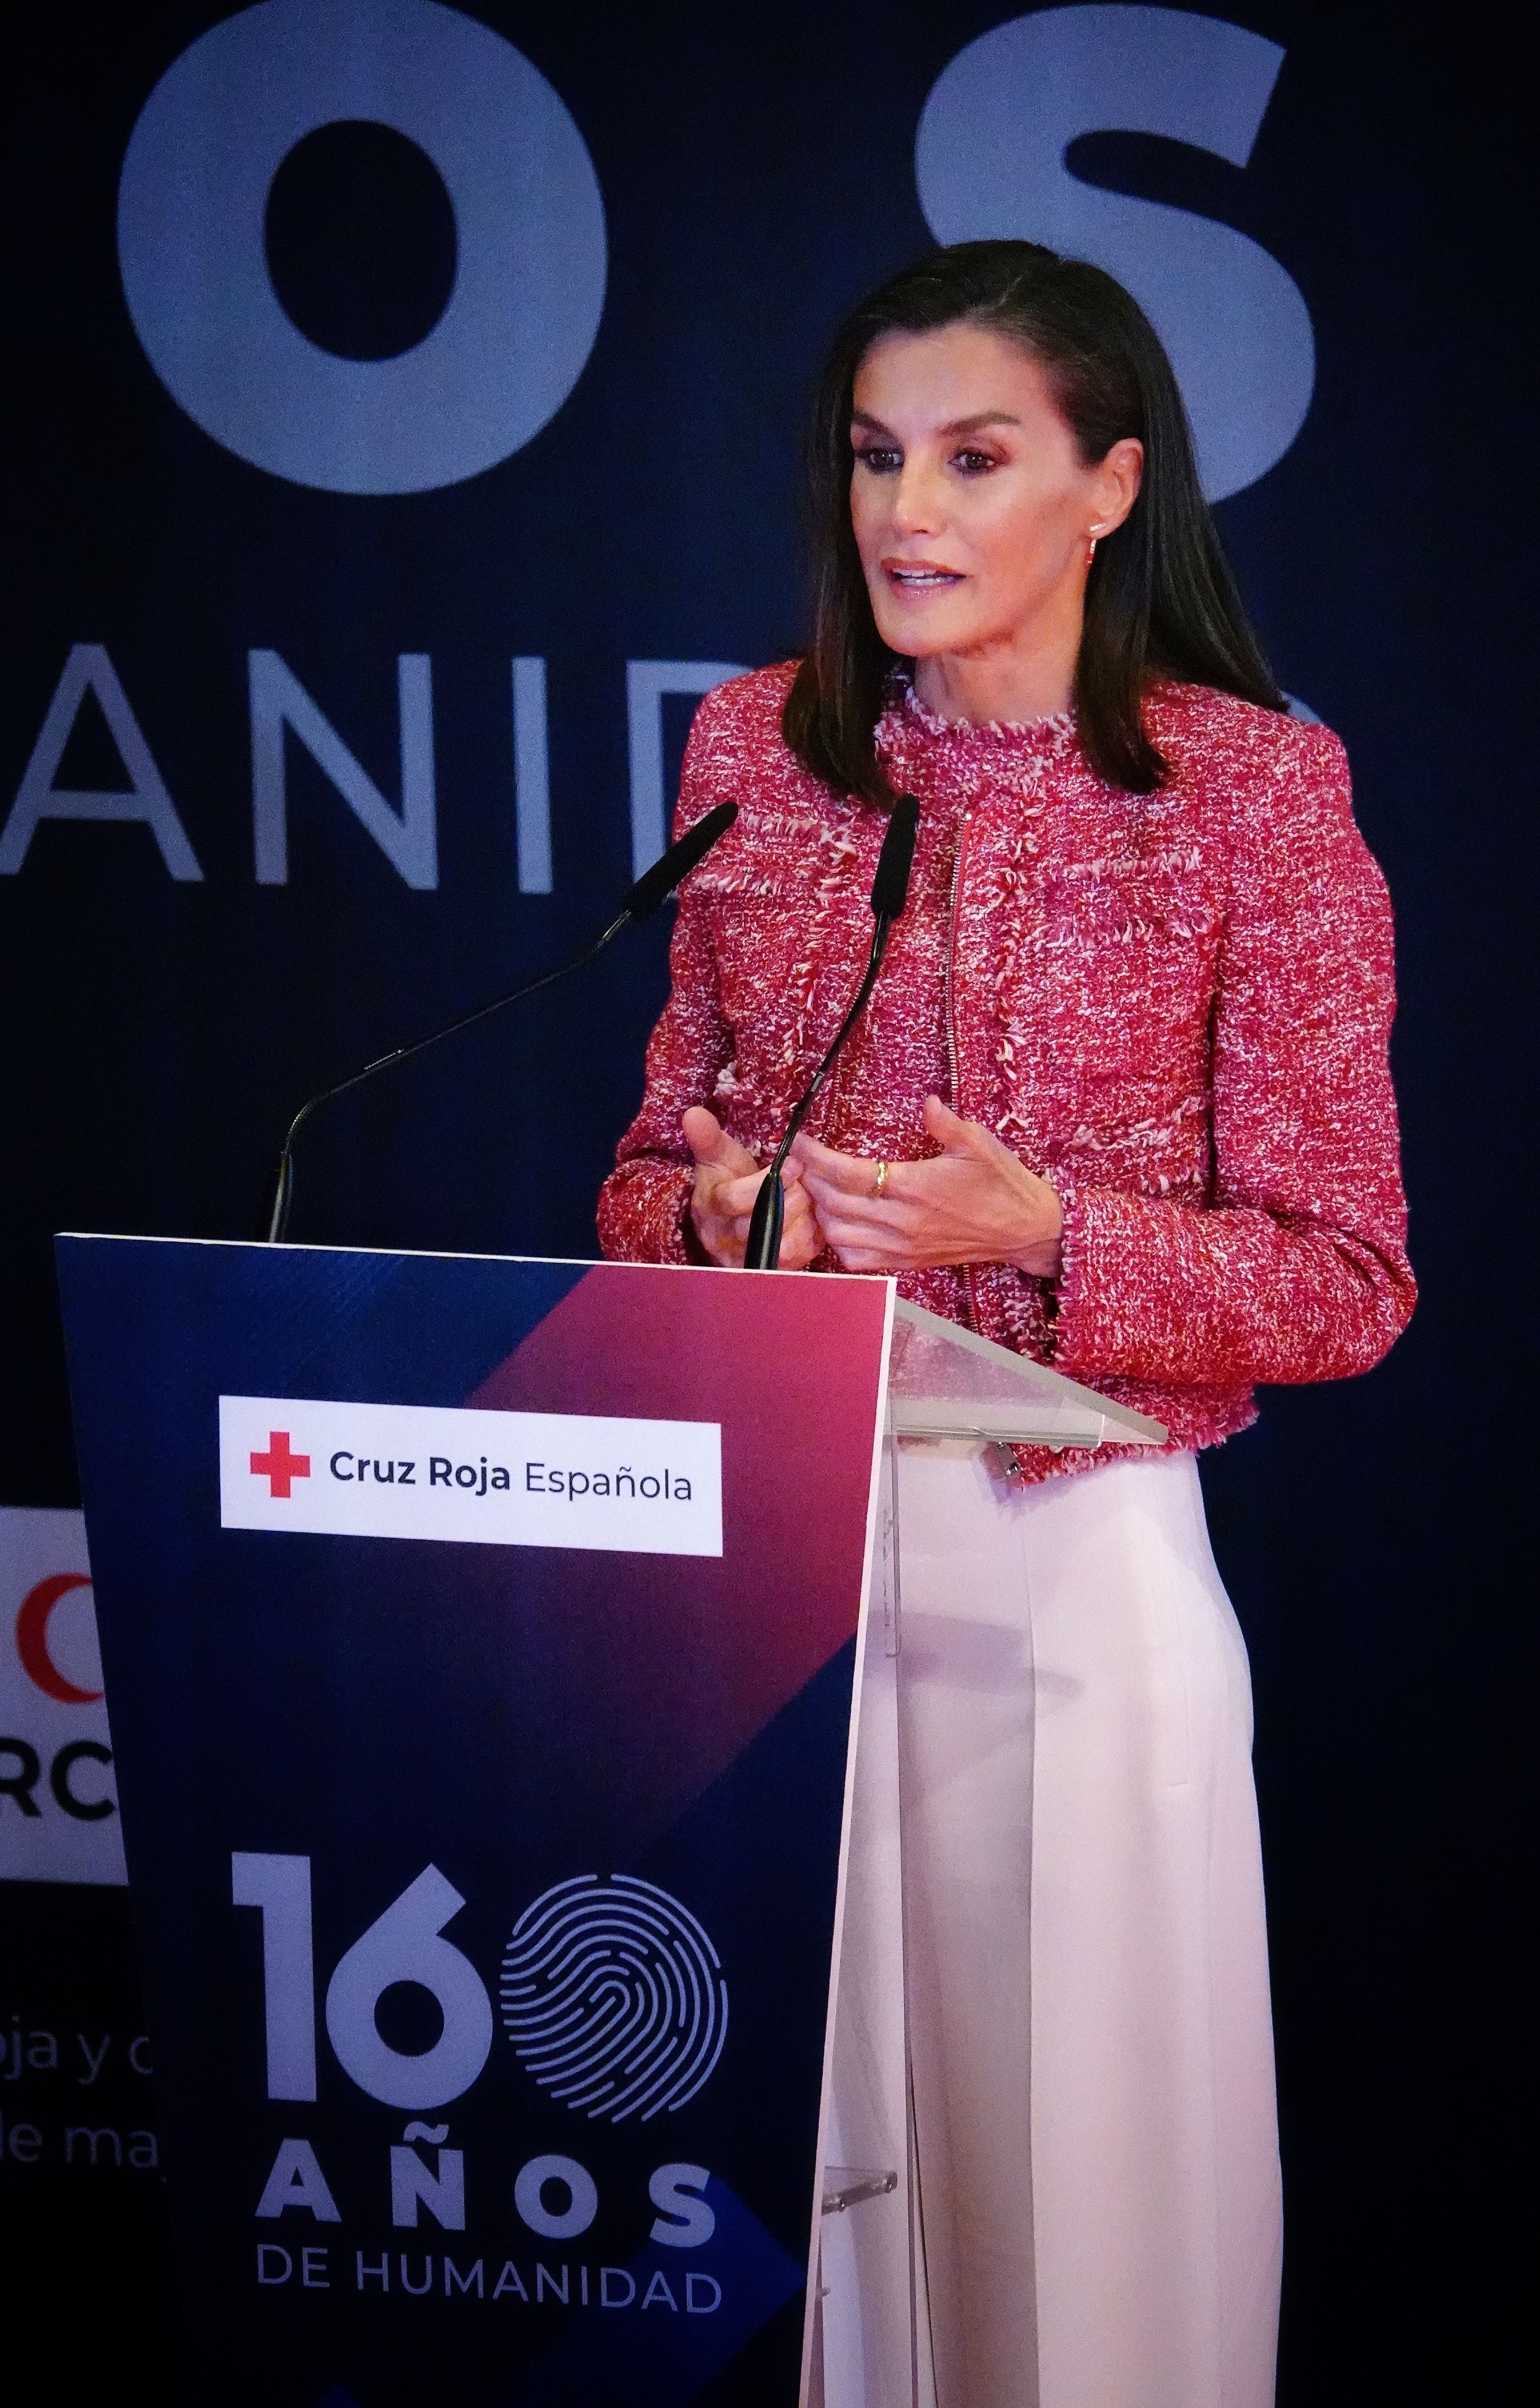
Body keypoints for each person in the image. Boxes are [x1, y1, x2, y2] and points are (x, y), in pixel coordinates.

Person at [598, 242, 1414, 2408]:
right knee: (794, 2206)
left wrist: (1043, 1229)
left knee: (1083, 2245)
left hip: (1068, 1580)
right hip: (766, 1586)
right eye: (878, 458)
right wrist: (722, 1218)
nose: (906, 515)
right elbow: (638, 1172)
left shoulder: (1254, 798)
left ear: (1110, 487)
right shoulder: (757, 755)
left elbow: (1348, 1282)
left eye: (975, 457)